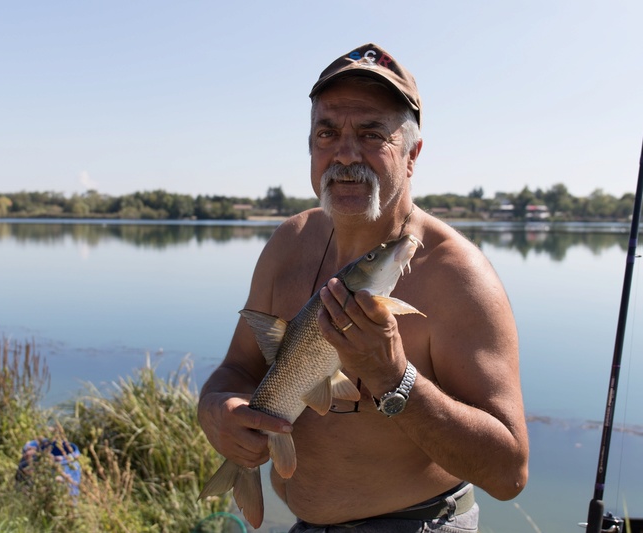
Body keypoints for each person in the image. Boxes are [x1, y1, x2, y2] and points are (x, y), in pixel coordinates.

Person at [198, 43, 528, 532]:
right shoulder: (289, 242)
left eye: (372, 134)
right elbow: (236, 369)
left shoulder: (458, 277)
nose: (346, 154)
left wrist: (395, 379)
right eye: (327, 133)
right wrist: (217, 411)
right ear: (310, 146)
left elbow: (508, 474)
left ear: (412, 154)